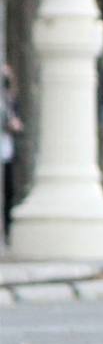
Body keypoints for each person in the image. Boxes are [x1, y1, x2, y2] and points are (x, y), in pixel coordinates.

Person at [1, 65, 22, 245]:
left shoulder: (9, 101)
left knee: (8, 191)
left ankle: (7, 228)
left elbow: (16, 123)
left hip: (6, 151)